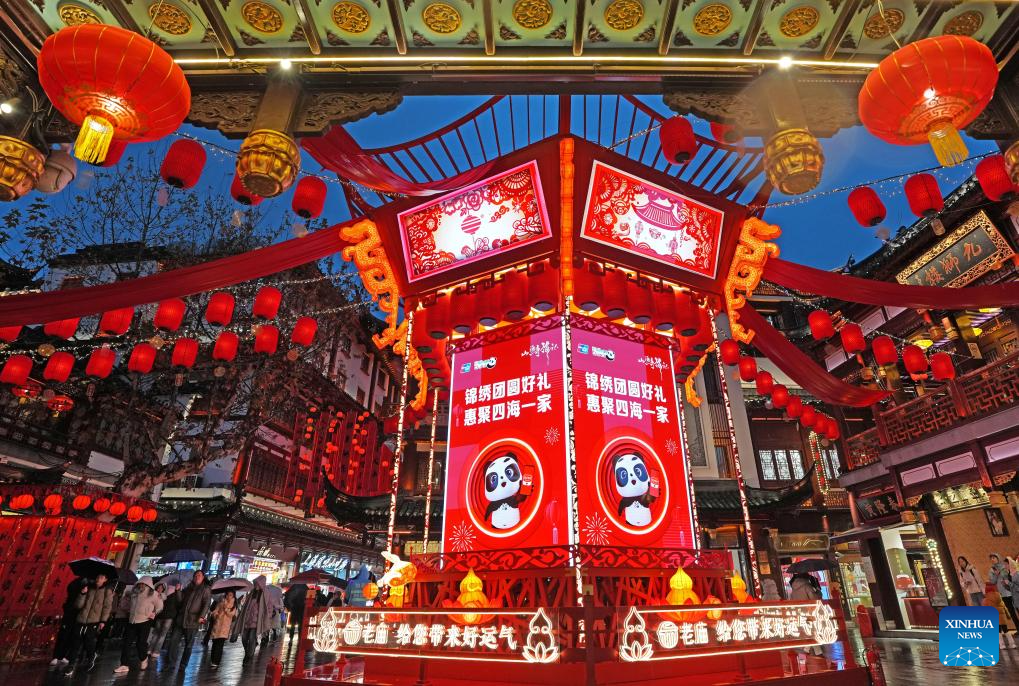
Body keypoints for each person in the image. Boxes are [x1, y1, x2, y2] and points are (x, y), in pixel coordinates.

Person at [63, 573, 115, 676]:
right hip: (81, 619)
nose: (98, 579)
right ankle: (71, 665)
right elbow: (78, 605)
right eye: (97, 576)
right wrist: (82, 594)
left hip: (94, 621)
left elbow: (107, 607)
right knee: (75, 642)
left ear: (105, 579)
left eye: (101, 577)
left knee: (88, 641)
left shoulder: (107, 591)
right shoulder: (88, 588)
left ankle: (91, 656)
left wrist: (103, 621)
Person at [113, 576, 163, 674]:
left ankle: (143, 659)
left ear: (147, 584)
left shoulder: (153, 594)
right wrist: (125, 601)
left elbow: (160, 605)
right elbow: (126, 605)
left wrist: (154, 612)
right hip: (132, 620)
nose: (141, 585)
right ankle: (124, 664)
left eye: (143, 584)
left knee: (141, 643)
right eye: (140, 583)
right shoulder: (134, 592)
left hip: (145, 621)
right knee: (126, 643)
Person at [165, 571, 212, 671]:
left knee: (188, 644)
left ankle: (183, 665)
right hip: (181, 619)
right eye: (195, 575)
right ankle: (171, 664)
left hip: (192, 620)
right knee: (173, 642)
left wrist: (201, 616)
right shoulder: (188, 588)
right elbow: (180, 601)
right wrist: (178, 591)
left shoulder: (205, 589)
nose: (196, 577)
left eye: (199, 575)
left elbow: (206, 603)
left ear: (203, 577)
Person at [232, 575, 272, 660]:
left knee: (251, 637)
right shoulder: (252, 593)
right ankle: (248, 650)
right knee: (244, 638)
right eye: (255, 583)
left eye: (258, 583)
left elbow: (269, 607)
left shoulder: (266, 594)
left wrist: (266, 616)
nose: (256, 585)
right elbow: (246, 605)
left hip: (257, 621)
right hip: (247, 620)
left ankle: (248, 656)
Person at [50, 576, 86, 667]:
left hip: (79, 614)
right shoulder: (76, 583)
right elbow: (71, 594)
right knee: (64, 634)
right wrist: (81, 592)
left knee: (72, 635)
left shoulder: (88, 583)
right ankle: (57, 655)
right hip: (70, 612)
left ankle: (64, 655)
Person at [208, 590, 238, 669]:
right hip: (217, 626)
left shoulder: (233, 605)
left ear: (233, 596)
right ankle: (212, 660)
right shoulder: (221, 602)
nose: (228, 596)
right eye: (227, 594)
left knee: (219, 645)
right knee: (214, 644)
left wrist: (226, 608)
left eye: (230, 595)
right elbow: (215, 611)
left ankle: (216, 662)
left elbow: (231, 615)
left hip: (224, 629)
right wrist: (215, 614)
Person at [149, 582, 179, 657]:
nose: (160, 589)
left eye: (161, 588)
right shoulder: (170, 596)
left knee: (157, 634)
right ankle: (155, 651)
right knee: (161, 635)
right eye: (159, 587)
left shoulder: (161, 595)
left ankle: (150, 650)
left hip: (161, 616)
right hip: (166, 617)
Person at [989, 553, 1019, 630]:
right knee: (1011, 612)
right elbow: (992, 581)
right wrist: (996, 574)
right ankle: (1018, 628)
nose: (993, 559)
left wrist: (1003, 573)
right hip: (1003, 593)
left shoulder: (1005, 566)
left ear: (998, 558)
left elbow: (1010, 577)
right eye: (991, 558)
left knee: (1018, 609)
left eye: (994, 557)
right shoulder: (991, 570)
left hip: (1012, 591)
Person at [982, 583, 1017, 649]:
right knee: (1006, 630)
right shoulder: (1000, 598)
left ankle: (1002, 645)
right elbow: (1004, 607)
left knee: (998, 631)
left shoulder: (985, 600)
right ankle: (1012, 644)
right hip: (1002, 618)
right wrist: (1008, 615)